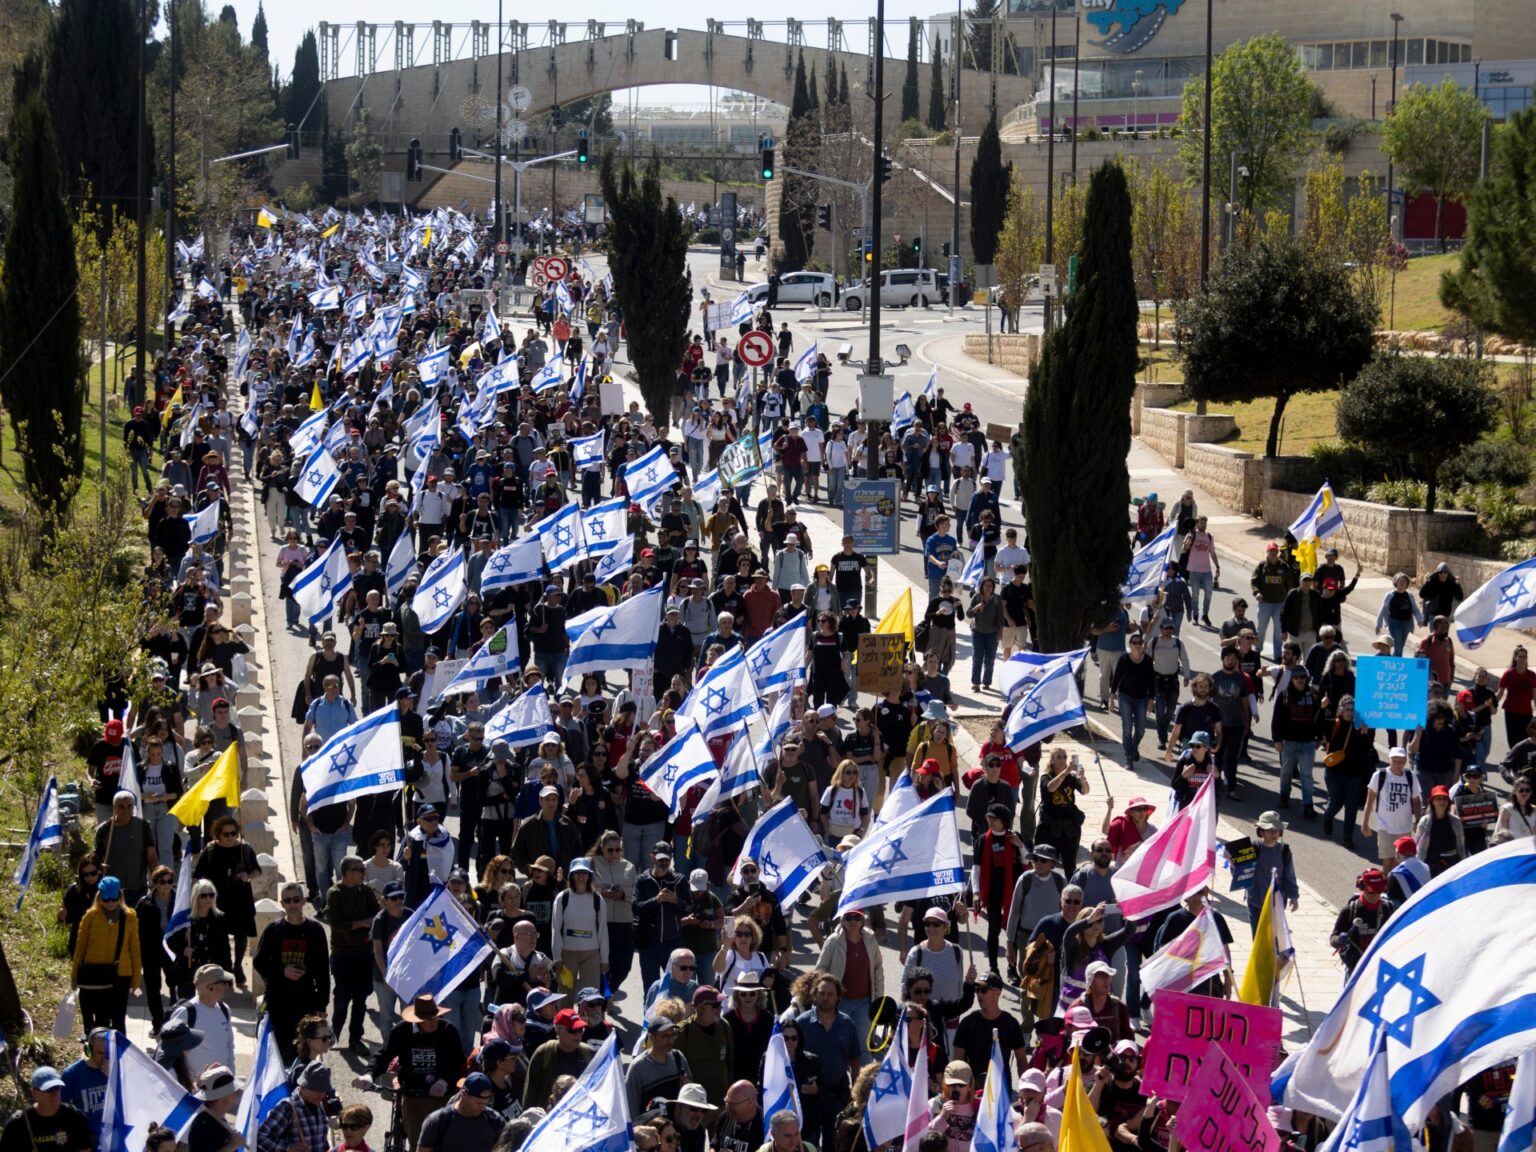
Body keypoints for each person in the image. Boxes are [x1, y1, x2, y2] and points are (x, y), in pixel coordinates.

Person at [357, 994, 465, 1149]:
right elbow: (384, 1055)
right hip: (413, 1095)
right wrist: (369, 1075)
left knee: (447, 1143)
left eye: (436, 1017)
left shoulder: (448, 1030)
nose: (433, 1022)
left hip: (444, 1095)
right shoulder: (402, 1031)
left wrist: (444, 1081)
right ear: (417, 1019)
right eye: (428, 1019)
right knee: (420, 1143)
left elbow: (458, 1062)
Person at [253, 880, 331, 1063]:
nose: (292, 904)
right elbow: (259, 962)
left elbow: (323, 971)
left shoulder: (315, 930)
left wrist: (321, 1006)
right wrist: (282, 972)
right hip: (277, 1001)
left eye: (296, 899)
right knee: (276, 1054)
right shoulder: (273, 930)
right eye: (287, 900)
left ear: (303, 901)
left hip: (305, 1001)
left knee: (304, 1054)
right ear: (282, 903)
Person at [70, 875, 141, 1033]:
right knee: (100, 1021)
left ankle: (119, 1048)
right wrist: (74, 976)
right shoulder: (90, 917)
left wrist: (136, 981)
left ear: (120, 897)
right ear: (100, 897)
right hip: (96, 976)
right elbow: (79, 949)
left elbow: (135, 950)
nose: (110, 903)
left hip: (121, 975)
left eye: (114, 898)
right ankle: (98, 1048)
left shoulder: (129, 917)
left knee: (118, 1020)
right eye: (106, 899)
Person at [326, 855, 381, 1055]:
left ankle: (355, 1038)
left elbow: (376, 915)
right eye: (360, 870)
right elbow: (336, 924)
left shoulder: (365, 891)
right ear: (349, 873)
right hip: (342, 954)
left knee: (360, 998)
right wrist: (362, 923)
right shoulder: (335, 893)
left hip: (363, 953)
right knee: (342, 997)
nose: (363, 873)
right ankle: (334, 1033)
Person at [0, 1067, 93, 1152]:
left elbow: (85, 1149)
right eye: (48, 1089)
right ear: (34, 1093)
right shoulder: (18, 1124)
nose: (54, 1093)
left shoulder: (75, 1117)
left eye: (56, 1088)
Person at [1361, 748, 1424, 871]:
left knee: (1399, 863)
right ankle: (1387, 881)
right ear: (1389, 760)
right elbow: (1370, 801)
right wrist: (1365, 823)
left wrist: (1418, 821)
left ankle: (1393, 882)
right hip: (1385, 827)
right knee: (1387, 861)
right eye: (1394, 761)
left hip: (1404, 828)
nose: (1397, 764)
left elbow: (1416, 801)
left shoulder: (1411, 777)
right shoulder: (1379, 776)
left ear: (1405, 761)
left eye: (1400, 761)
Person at [523, 1007, 595, 1110]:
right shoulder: (543, 1053)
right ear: (558, 1031)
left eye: (580, 1030)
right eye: (573, 1030)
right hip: (549, 1116)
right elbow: (530, 1093)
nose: (578, 1035)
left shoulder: (589, 1054)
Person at [417, 1072, 507, 1152]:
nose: (482, 1107)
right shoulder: (438, 1122)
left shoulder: (495, 1120)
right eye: (478, 1103)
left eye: (486, 1103)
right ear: (464, 1094)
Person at [257, 1060, 334, 1152]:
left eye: (324, 1091)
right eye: (317, 1091)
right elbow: (260, 1137)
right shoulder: (287, 1108)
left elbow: (321, 1140)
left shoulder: (319, 1106)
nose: (322, 1095)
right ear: (303, 1086)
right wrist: (288, 1147)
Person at [1330, 869, 1395, 974]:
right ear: (1362, 887)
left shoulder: (1388, 909)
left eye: (1379, 891)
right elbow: (1334, 937)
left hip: (1380, 965)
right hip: (1355, 967)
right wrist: (1338, 941)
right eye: (1371, 892)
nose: (1375, 896)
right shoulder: (1350, 911)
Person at [626, 1014, 691, 1115]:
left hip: (676, 1124)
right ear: (651, 1037)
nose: (671, 1040)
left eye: (673, 1035)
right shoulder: (638, 1067)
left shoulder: (678, 1057)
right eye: (665, 1036)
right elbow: (631, 1106)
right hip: (651, 1123)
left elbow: (690, 1092)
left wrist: (686, 1086)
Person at [1246, 812, 1300, 933]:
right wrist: (1232, 861)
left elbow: (1290, 875)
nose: (1275, 833)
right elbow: (1240, 873)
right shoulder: (1252, 848)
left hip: (1277, 904)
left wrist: (1294, 897)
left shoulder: (1284, 851)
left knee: (1275, 939)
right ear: (1261, 832)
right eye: (1270, 830)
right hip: (1255, 903)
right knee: (1258, 939)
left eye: (1277, 830)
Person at [60, 1030, 109, 1143]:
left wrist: (114, 1078)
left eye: (108, 1053)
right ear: (88, 1050)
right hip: (86, 1136)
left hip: (110, 1133)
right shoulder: (72, 1074)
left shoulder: (115, 1070)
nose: (105, 1058)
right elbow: (62, 1108)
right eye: (101, 1053)